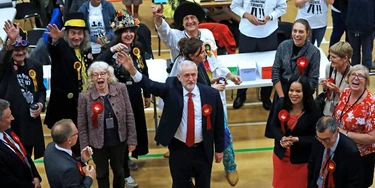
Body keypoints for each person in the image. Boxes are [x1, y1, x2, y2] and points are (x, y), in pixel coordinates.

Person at [117, 51, 225, 188]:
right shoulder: (171, 89)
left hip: (203, 150)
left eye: (193, 74)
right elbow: (149, 85)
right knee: (180, 185)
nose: (191, 79)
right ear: (179, 77)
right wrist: (132, 70)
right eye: (186, 75)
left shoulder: (211, 94)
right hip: (179, 149)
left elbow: (219, 124)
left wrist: (220, 149)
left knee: (203, 185)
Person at [175, 37, 239, 185]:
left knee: (224, 135)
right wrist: (212, 90)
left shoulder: (201, 64)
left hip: (211, 108)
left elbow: (201, 83)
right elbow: (191, 92)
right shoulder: (185, 69)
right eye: (202, 52)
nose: (206, 55)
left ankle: (230, 166)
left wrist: (211, 81)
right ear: (192, 56)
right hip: (199, 114)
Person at [96, 10, 149, 186]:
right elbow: (98, 64)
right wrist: (111, 49)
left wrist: (147, 94)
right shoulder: (110, 48)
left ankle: (125, 159)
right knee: (121, 134)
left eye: (131, 31)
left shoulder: (138, 47)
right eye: (125, 32)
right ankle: (124, 172)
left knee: (133, 131)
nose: (128, 34)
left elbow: (144, 69)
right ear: (118, 34)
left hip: (134, 95)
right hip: (116, 99)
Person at [77, 61, 137, 188]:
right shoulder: (84, 97)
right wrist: (84, 147)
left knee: (119, 171)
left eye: (102, 74)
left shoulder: (121, 89)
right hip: (97, 144)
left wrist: (132, 139)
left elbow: (129, 115)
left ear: (108, 75)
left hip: (118, 140)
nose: (99, 77)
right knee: (101, 173)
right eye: (95, 75)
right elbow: (82, 125)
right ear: (92, 78)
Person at [265, 18, 321, 138]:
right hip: (282, 91)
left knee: (299, 131)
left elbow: (313, 80)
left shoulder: (314, 52)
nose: (297, 35)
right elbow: (275, 72)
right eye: (294, 31)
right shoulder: (283, 46)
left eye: (301, 32)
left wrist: (299, 97)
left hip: (302, 95)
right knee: (279, 130)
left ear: (308, 33)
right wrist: (281, 97)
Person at [0, 21, 46, 159]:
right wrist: (9, 44)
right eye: (16, 49)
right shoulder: (5, 66)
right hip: (10, 121)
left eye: (22, 49)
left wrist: (40, 104)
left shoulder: (36, 65)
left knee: (27, 157)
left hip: (30, 121)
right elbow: (2, 60)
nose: (20, 52)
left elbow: (41, 90)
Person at [230, 0, 287, 110]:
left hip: (268, 33)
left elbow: (282, 8)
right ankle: (241, 94)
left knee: (267, 67)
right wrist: (246, 15)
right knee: (244, 65)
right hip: (247, 33)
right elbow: (234, 6)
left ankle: (265, 97)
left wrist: (270, 16)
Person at [270, 74, 323, 188]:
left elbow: (318, 138)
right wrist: (281, 138)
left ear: (305, 93)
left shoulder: (314, 111)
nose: (293, 94)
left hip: (302, 161)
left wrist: (298, 140)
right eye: (291, 90)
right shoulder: (281, 103)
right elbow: (273, 125)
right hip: (281, 157)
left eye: (298, 91)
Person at [333, 64, 375, 188]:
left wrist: (344, 133)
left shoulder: (371, 104)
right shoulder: (345, 92)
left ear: (366, 81)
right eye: (353, 74)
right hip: (342, 149)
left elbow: (372, 137)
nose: (356, 78)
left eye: (360, 76)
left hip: (361, 156)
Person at [308, 116, 363, 188]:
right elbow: (312, 164)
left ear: (337, 131)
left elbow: (355, 182)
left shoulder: (350, 151)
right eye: (320, 139)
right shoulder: (319, 139)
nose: (323, 143)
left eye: (327, 139)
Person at [0, 99, 42, 188]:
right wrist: (32, 186)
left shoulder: (8, 131)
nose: (13, 118)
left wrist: (36, 176)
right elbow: (7, 181)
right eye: (8, 116)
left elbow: (24, 154)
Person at [44, 119, 96, 188]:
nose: (78, 135)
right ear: (69, 140)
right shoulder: (68, 170)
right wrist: (89, 178)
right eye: (76, 134)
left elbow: (65, 161)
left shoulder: (50, 147)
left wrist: (82, 160)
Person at [340, 0, 374, 70]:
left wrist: (372, 23)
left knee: (367, 55)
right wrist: (347, 19)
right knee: (354, 55)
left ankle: (365, 75)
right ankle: (354, 75)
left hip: (368, 28)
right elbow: (343, 3)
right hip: (352, 27)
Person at [320, 41, 352, 116]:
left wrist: (339, 92)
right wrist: (325, 87)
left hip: (344, 111)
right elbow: (326, 91)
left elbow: (355, 98)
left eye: (334, 57)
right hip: (328, 109)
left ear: (345, 58)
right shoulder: (329, 66)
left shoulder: (353, 74)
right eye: (330, 56)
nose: (330, 59)